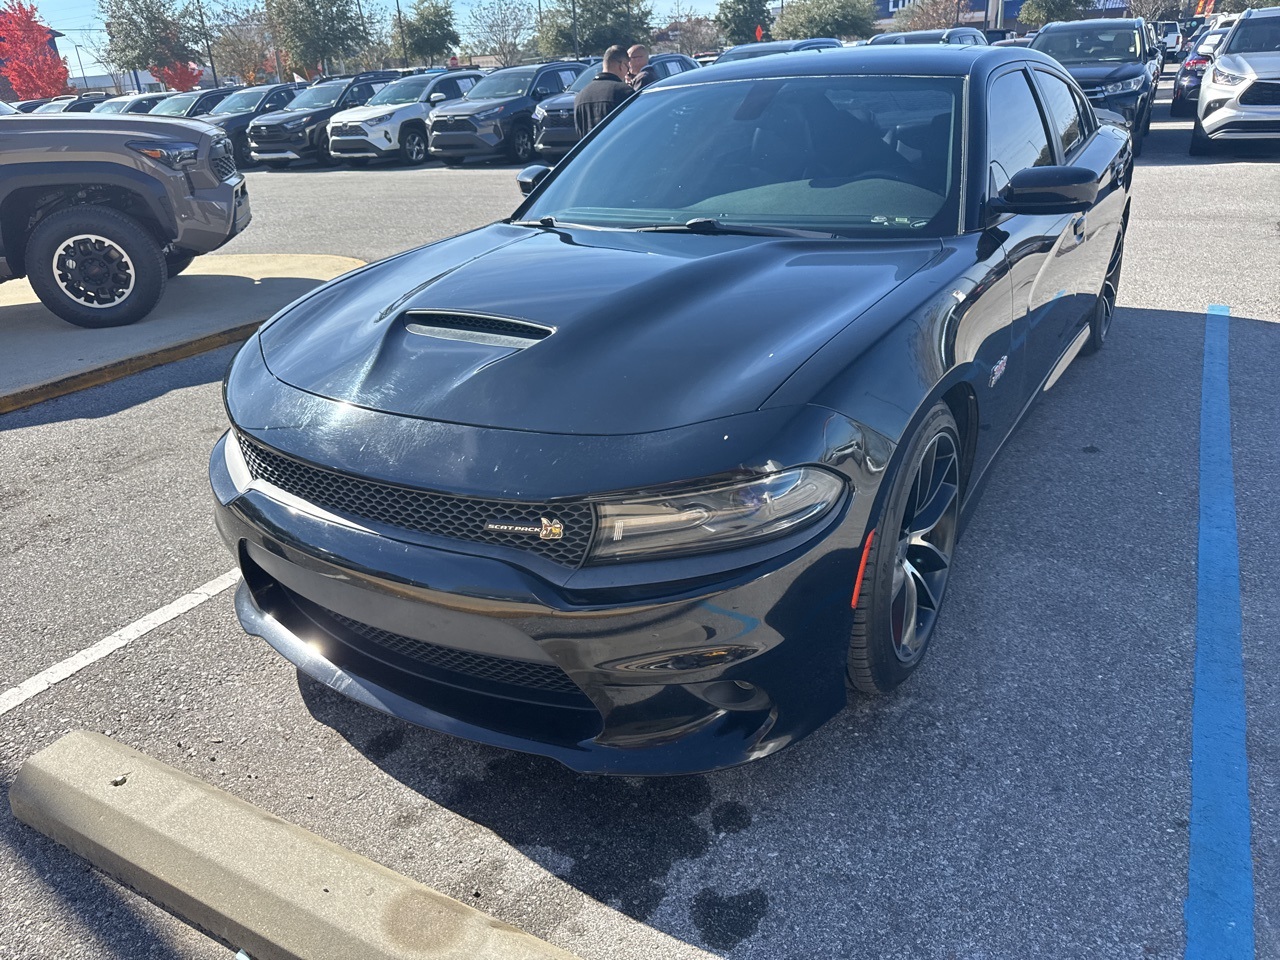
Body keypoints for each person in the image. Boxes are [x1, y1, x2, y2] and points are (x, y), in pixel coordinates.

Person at [574, 46, 633, 138]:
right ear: (621, 66)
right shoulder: (625, 92)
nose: (628, 72)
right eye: (627, 67)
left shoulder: (580, 96)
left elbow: (580, 132)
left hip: (592, 151)